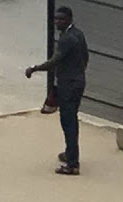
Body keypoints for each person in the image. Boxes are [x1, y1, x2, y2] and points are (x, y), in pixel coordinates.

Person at [26, 6, 88, 175]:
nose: (57, 22)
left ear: (69, 20)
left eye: (61, 19)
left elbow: (54, 61)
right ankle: (69, 153)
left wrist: (34, 68)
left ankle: (73, 163)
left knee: (68, 122)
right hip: (77, 81)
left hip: (68, 84)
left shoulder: (67, 39)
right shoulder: (78, 34)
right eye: (56, 19)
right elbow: (85, 57)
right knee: (71, 119)